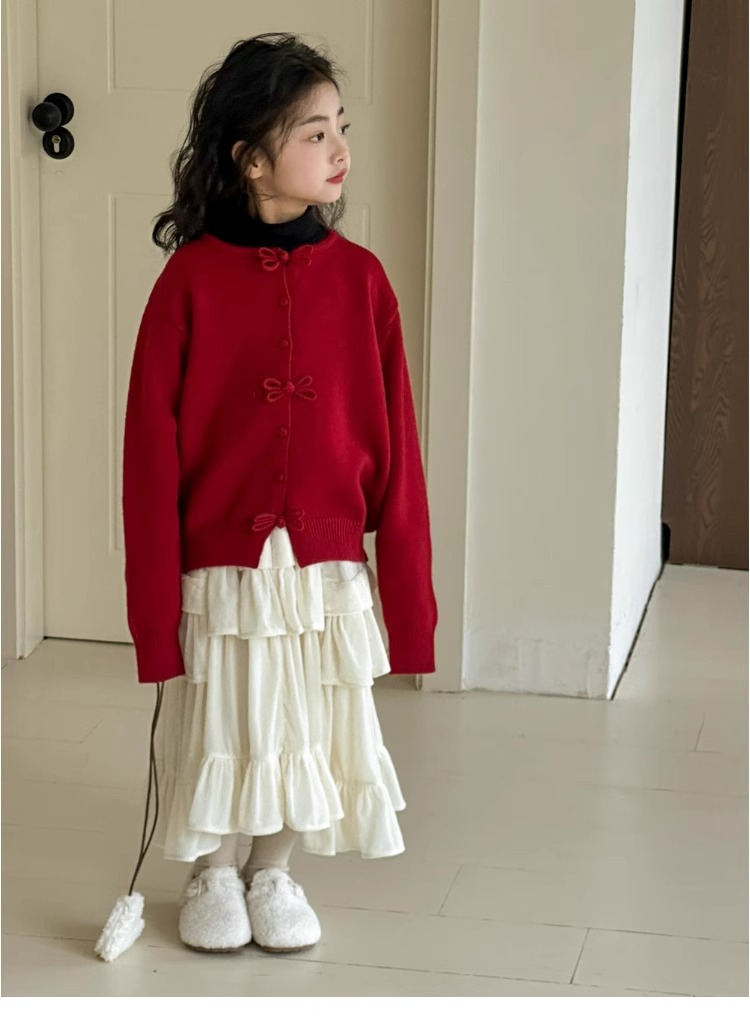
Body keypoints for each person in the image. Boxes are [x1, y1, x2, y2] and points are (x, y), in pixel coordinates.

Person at [121, 32, 438, 956]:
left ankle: (273, 868)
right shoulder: (188, 282)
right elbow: (147, 460)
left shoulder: (363, 281)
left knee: (310, 715)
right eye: (313, 133)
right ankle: (213, 869)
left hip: (325, 562)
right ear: (251, 159)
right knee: (226, 712)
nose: (340, 150)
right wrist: (152, 615)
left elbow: (400, 451)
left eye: (342, 128)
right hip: (222, 558)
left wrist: (410, 602)